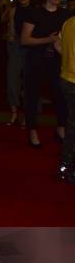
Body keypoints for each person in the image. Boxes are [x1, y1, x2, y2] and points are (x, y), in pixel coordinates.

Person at [21, 0, 69, 147]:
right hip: (35, 60)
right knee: (32, 96)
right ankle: (32, 130)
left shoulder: (65, 15)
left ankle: (61, 128)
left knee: (60, 96)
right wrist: (48, 39)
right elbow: (24, 39)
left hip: (57, 62)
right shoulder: (34, 13)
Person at [5, 0, 33, 126]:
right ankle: (14, 111)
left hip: (30, 48)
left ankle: (27, 114)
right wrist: (10, 40)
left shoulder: (35, 11)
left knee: (29, 81)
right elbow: (11, 30)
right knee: (11, 79)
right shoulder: (13, 10)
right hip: (16, 46)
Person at [55, 16, 75, 183]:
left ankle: (66, 165)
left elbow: (56, 44)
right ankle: (67, 167)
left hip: (66, 79)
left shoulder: (68, 22)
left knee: (72, 124)